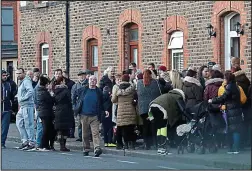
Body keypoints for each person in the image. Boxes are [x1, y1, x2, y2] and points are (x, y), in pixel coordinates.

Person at [209, 71, 245, 154]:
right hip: (236, 109)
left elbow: (223, 97)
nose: (223, 80)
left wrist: (212, 100)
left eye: (224, 79)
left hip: (232, 110)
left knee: (233, 129)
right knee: (236, 129)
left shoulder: (229, 87)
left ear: (227, 79)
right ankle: (236, 148)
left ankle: (234, 148)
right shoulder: (235, 86)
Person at [148, 88, 186, 154]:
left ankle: (159, 147)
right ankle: (162, 148)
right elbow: (179, 109)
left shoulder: (168, 95)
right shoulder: (177, 97)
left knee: (159, 128)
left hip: (152, 107)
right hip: (162, 109)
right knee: (163, 128)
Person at [77, 75, 104, 157]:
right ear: (88, 81)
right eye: (91, 79)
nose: (92, 81)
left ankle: (97, 148)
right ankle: (86, 149)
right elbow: (75, 97)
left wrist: (103, 111)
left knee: (95, 133)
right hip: (84, 115)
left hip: (95, 116)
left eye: (94, 80)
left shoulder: (98, 91)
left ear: (96, 82)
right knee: (85, 134)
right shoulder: (83, 90)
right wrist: (76, 107)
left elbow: (102, 102)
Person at [137, 69, 162, 150]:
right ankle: (155, 143)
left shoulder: (139, 83)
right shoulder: (155, 83)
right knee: (153, 125)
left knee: (145, 126)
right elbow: (159, 93)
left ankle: (146, 144)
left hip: (143, 110)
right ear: (151, 75)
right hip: (151, 109)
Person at [112, 74, 137, 150]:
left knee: (122, 128)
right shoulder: (132, 88)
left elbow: (113, 100)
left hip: (121, 111)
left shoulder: (117, 88)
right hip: (131, 110)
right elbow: (135, 97)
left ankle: (124, 144)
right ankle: (132, 144)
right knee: (131, 128)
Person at [15, 68, 35, 150]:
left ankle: (31, 142)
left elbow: (30, 91)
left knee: (28, 124)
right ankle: (25, 141)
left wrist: (22, 98)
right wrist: (17, 96)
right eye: (17, 73)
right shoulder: (21, 82)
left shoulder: (26, 81)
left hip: (27, 105)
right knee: (19, 122)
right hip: (22, 106)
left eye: (19, 73)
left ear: (23, 73)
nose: (18, 75)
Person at [232, 67, 251, 149]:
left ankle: (243, 142)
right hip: (249, 106)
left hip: (242, 106)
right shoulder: (247, 81)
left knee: (242, 125)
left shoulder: (237, 84)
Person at [54, 76, 74, 152]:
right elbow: (70, 100)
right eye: (64, 81)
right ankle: (63, 146)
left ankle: (61, 145)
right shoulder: (66, 91)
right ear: (62, 82)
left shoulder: (56, 91)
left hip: (58, 111)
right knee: (65, 130)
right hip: (66, 111)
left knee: (59, 129)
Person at [36, 75, 56, 151]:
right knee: (46, 129)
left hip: (43, 112)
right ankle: (42, 145)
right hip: (46, 112)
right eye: (47, 84)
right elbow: (51, 101)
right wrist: (52, 94)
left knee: (48, 129)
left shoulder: (39, 91)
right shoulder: (44, 92)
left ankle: (46, 145)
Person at [71, 70, 89, 142]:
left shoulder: (88, 84)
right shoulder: (75, 86)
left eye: (83, 75)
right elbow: (73, 97)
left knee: (87, 122)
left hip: (87, 105)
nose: (81, 77)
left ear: (85, 76)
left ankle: (88, 136)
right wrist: (74, 106)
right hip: (79, 106)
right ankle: (80, 136)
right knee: (79, 122)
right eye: (80, 76)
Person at [1, 70, 14, 148]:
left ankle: (2, 143)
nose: (5, 77)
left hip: (6, 109)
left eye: (6, 75)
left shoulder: (9, 84)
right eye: (3, 75)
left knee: (5, 128)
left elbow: (11, 96)